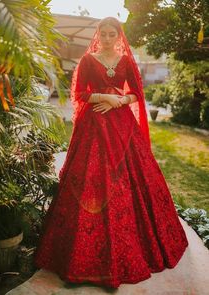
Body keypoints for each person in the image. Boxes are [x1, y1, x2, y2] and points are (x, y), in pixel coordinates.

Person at [34, 16, 189, 289]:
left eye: (111, 34)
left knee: (133, 179)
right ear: (98, 35)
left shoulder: (127, 61)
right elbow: (80, 94)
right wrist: (106, 97)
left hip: (122, 127)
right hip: (93, 126)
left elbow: (137, 94)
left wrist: (120, 101)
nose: (107, 38)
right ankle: (79, 260)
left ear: (119, 36)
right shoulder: (87, 60)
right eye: (103, 34)